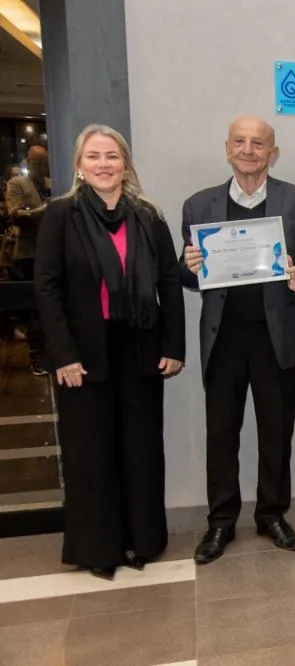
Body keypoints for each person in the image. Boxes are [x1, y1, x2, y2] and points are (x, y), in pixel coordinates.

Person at [33, 125, 185, 580]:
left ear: (125, 164)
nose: (104, 164)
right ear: (80, 165)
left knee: (140, 448)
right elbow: (47, 288)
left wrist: (173, 345)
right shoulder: (60, 216)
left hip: (140, 346)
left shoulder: (149, 215)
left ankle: (143, 540)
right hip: (83, 351)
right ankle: (98, 547)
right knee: (89, 452)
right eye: (94, 156)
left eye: (112, 156)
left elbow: (170, 283)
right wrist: (62, 354)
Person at [180, 116, 295, 564]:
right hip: (223, 340)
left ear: (272, 153)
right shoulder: (198, 206)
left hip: (275, 338)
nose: (248, 150)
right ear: (227, 149)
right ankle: (220, 522)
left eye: (258, 143)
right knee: (221, 434)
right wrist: (189, 264)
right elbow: (184, 273)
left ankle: (272, 514)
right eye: (239, 141)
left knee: (277, 433)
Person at [5, 146, 52, 375]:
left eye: (45, 163)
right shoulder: (17, 185)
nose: (41, 167)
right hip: (27, 254)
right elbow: (14, 213)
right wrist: (42, 210)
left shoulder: (51, 184)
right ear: (29, 161)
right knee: (34, 309)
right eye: (38, 163)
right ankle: (38, 358)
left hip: (52, 252)